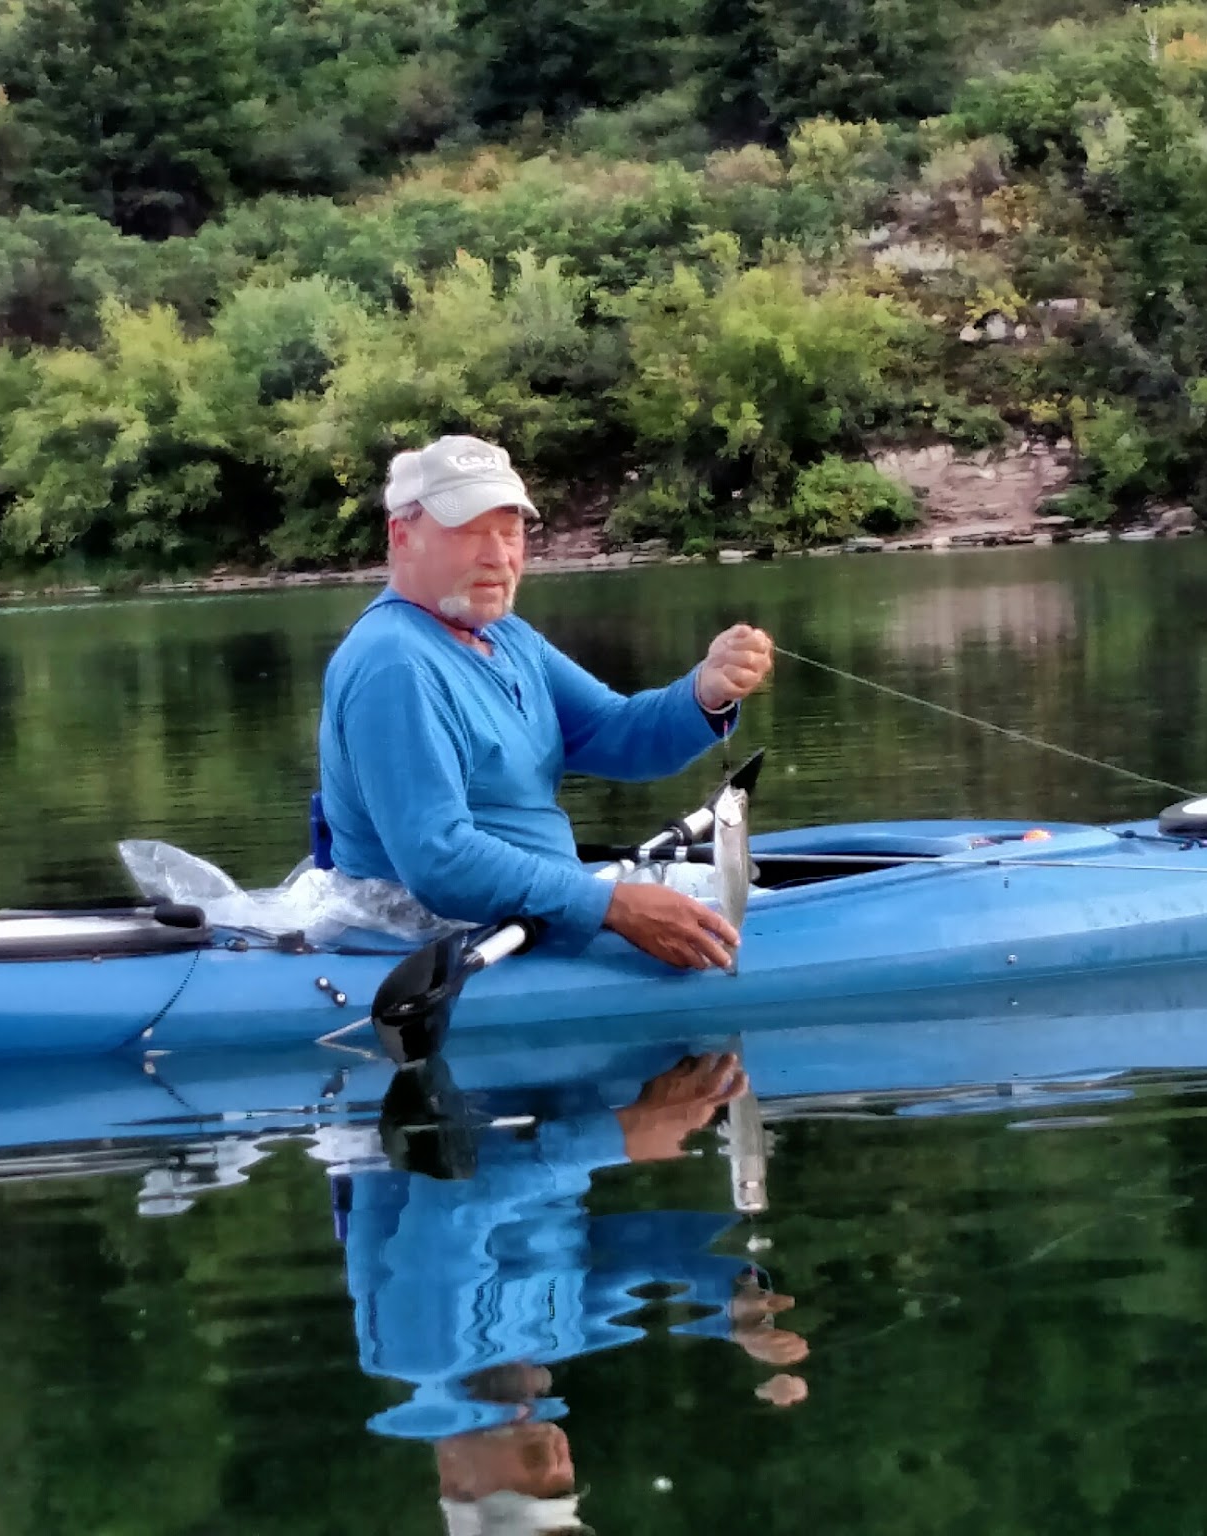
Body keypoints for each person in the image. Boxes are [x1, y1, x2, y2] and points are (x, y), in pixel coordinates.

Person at [316, 435, 775, 971]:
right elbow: (439, 860)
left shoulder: (503, 634)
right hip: (449, 931)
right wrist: (609, 905)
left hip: (540, 903)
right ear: (402, 536)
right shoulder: (394, 662)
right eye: (468, 532)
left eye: (509, 532)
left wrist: (705, 691)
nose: (497, 556)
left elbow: (615, 734)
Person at [325, 1051, 810, 1535]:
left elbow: (454, 1198)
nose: (555, 1466)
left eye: (533, 1491)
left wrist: (618, 1137)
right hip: (544, 1088)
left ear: (457, 1485)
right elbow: (651, 1266)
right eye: (564, 1489)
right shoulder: (560, 1341)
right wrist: (736, 1305)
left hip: (427, 1076)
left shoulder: (416, 1353)